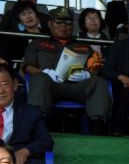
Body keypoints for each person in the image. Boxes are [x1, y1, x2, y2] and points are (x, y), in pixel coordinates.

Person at [23, 7, 111, 135]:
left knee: (99, 82)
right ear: (50, 24)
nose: (64, 26)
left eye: (68, 22)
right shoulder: (38, 43)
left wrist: (87, 74)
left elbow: (95, 67)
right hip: (50, 85)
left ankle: (97, 129)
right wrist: (45, 72)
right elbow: (28, 66)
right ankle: (38, 129)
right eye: (59, 22)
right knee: (39, 79)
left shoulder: (83, 45)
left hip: (77, 86)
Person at [0, 63, 57, 164]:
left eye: (4, 84)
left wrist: (25, 151)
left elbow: (45, 141)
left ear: (14, 85)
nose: (0, 90)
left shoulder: (31, 112)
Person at [0, 2, 48, 68]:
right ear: (20, 21)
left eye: (30, 12)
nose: (28, 17)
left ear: (37, 16)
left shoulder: (49, 35)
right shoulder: (16, 40)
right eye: (23, 14)